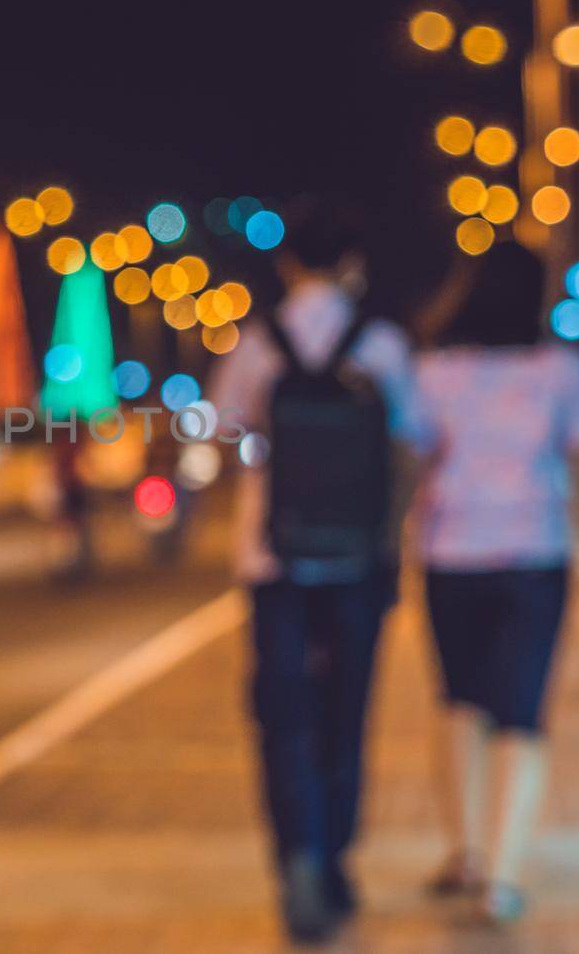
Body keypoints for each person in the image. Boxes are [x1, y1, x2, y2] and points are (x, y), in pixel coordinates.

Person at [209, 205, 425, 944]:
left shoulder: (256, 343)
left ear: (287, 265)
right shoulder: (384, 345)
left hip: (273, 557)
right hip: (360, 558)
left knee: (282, 717)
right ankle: (335, 856)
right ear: (354, 265)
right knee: (346, 711)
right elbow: (415, 437)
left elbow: (223, 428)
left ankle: (294, 855)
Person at [413, 241, 579, 922]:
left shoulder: (436, 371)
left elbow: (412, 459)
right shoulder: (562, 371)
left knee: (459, 699)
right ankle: (501, 876)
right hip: (536, 552)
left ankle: (465, 850)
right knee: (522, 712)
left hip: (451, 552)